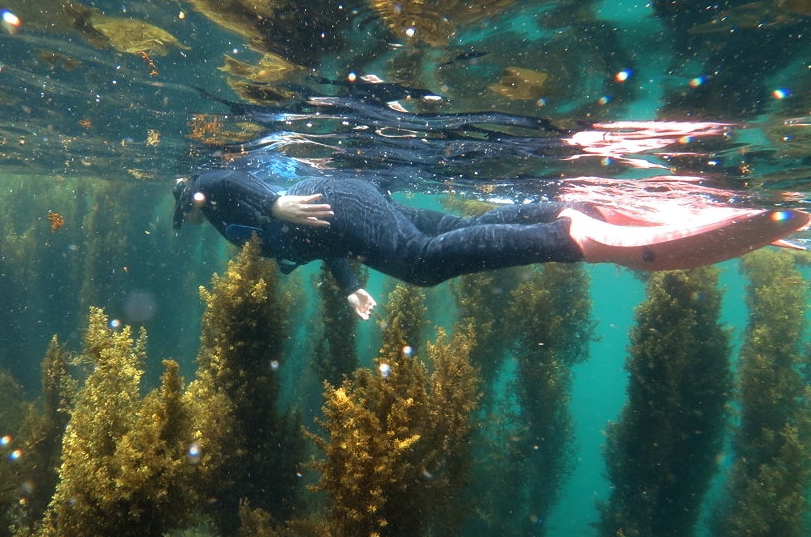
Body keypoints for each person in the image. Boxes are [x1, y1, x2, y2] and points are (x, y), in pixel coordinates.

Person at [173, 170, 809, 321]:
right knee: (443, 235)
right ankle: (560, 207)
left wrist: (272, 202)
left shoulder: (211, 201)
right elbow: (318, 240)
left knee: (421, 265)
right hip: (345, 209)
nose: (187, 216)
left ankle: (566, 237)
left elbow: (217, 178)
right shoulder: (223, 221)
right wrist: (350, 283)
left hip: (337, 200)